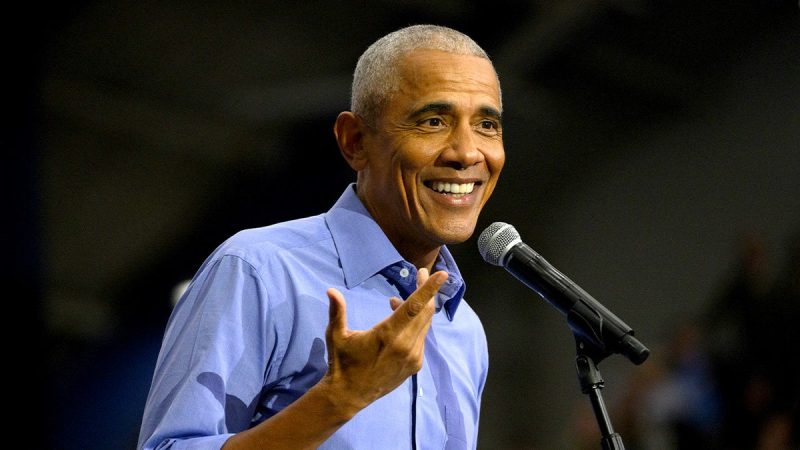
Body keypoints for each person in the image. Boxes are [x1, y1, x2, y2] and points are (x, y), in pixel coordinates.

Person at [138, 24, 505, 449]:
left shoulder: (465, 330)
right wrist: (339, 399)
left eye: (486, 125)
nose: (467, 152)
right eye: (433, 121)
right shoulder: (259, 271)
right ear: (355, 141)